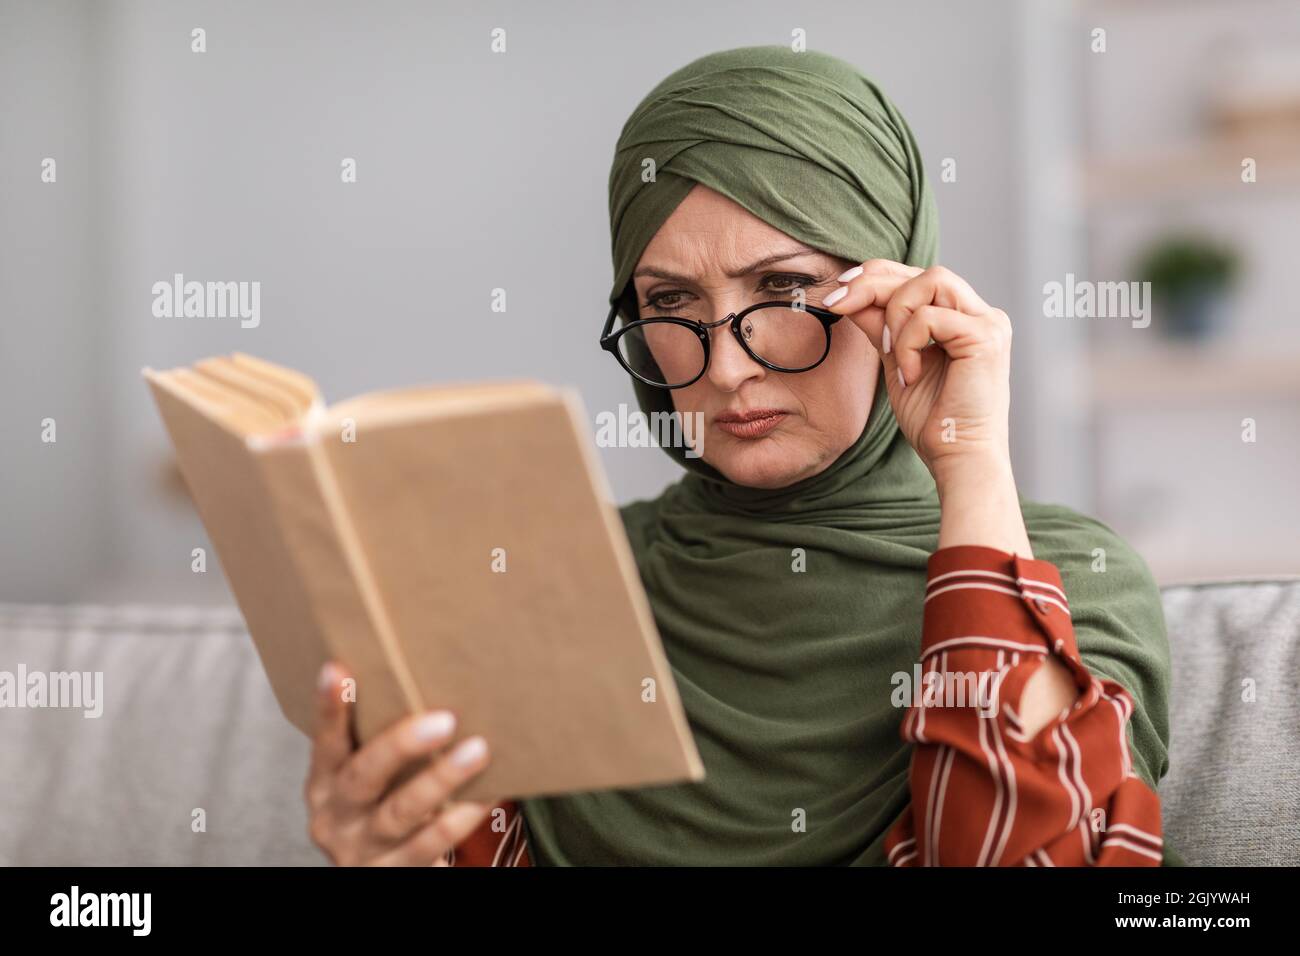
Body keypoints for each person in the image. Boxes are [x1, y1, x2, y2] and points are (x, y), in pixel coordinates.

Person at [304, 45, 1176, 867]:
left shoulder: (1070, 578)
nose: (724, 368)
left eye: (785, 291)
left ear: (897, 287)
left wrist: (974, 457)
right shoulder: (556, 582)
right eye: (672, 301)